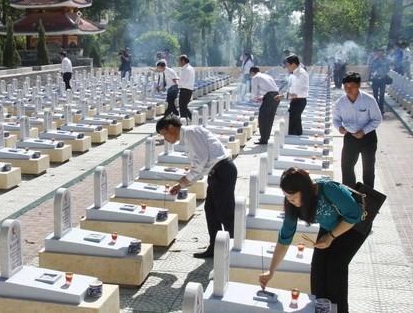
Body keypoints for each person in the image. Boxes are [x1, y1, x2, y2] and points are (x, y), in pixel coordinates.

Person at [259, 167, 366, 313]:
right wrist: (270, 271)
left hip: (353, 226)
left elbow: (355, 214)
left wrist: (331, 237)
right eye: (287, 198)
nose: (291, 202)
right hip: (330, 226)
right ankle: (321, 308)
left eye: (294, 197)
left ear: (305, 190)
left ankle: (339, 310)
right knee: (317, 267)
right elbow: (285, 238)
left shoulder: (328, 189)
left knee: (335, 266)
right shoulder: (291, 204)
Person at [156, 115, 237, 258]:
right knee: (211, 211)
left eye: (164, 134)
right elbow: (198, 166)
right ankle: (215, 248)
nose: (165, 139)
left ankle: (236, 250)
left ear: (171, 127)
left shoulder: (191, 132)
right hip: (215, 173)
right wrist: (181, 185)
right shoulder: (186, 138)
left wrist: (182, 182)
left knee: (226, 213)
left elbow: (200, 161)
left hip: (223, 171)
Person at [333, 72, 382, 189]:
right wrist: (340, 128)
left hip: (368, 138)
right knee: (347, 167)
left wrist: (363, 131)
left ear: (359, 85)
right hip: (350, 138)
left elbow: (377, 119)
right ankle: (350, 196)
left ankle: (368, 199)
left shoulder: (369, 100)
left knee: (368, 169)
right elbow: (336, 120)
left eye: (351, 87)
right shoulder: (340, 103)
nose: (348, 90)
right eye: (346, 87)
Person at [275, 55, 309, 135]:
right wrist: (282, 96)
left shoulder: (301, 74)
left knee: (291, 123)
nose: (287, 67)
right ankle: (296, 138)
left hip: (299, 101)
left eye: (288, 65)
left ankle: (294, 139)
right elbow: (292, 90)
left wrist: (296, 95)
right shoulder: (295, 73)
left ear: (293, 64)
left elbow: (305, 91)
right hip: (295, 101)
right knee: (295, 123)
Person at [250, 66, 280, 145]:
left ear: (252, 72)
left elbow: (254, 91)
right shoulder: (267, 76)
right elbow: (271, 88)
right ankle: (266, 137)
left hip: (269, 96)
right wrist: (263, 97)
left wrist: (252, 98)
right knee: (270, 118)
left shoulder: (255, 77)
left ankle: (263, 139)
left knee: (263, 117)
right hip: (276, 96)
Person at [367, 47, 390, 114]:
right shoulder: (374, 61)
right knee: (375, 94)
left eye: (381, 52)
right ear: (376, 53)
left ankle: (381, 108)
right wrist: (374, 75)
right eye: (378, 52)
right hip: (375, 79)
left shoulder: (386, 60)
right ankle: (376, 108)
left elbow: (388, 69)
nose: (380, 54)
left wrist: (383, 74)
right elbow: (371, 69)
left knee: (382, 94)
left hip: (383, 79)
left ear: (383, 53)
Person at [177, 54, 195, 122]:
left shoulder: (186, 69)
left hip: (185, 90)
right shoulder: (189, 68)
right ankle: (192, 120)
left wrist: (176, 82)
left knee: (182, 107)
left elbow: (183, 81)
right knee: (184, 106)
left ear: (183, 61)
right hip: (188, 89)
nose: (179, 63)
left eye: (179, 61)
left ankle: (184, 122)